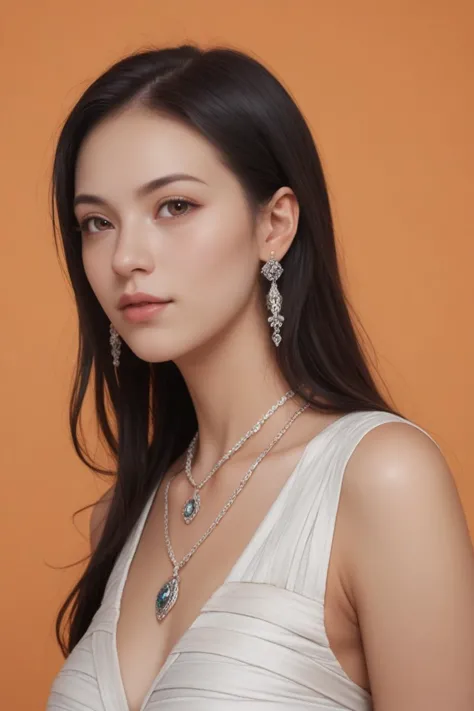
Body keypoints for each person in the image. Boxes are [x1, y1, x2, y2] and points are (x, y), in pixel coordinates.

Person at [46, 44, 474, 711]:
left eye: (174, 206)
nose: (125, 256)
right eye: (96, 222)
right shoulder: (121, 517)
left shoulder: (382, 481)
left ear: (274, 223)